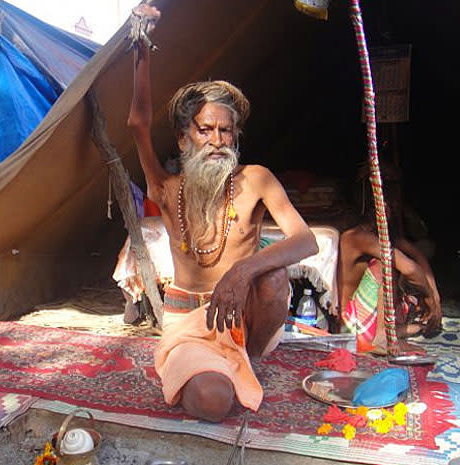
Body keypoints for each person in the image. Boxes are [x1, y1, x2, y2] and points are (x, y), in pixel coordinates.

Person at [127, 5, 317, 422]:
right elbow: (138, 123)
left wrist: (242, 271)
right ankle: (204, 369)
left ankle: (249, 360)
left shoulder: (256, 179)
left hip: (244, 321)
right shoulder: (166, 187)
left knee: (272, 274)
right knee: (214, 402)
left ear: (236, 136)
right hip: (190, 323)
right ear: (183, 139)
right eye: (205, 129)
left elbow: (306, 240)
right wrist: (141, 45)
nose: (217, 140)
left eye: (225, 130)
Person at [338, 167, 442, 354]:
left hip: (371, 314)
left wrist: (435, 296)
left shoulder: (380, 234)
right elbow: (410, 268)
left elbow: (417, 255)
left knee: (410, 282)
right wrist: (430, 300)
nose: (391, 207)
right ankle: (382, 338)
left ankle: (398, 329)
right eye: (386, 201)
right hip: (352, 321)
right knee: (383, 265)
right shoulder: (357, 236)